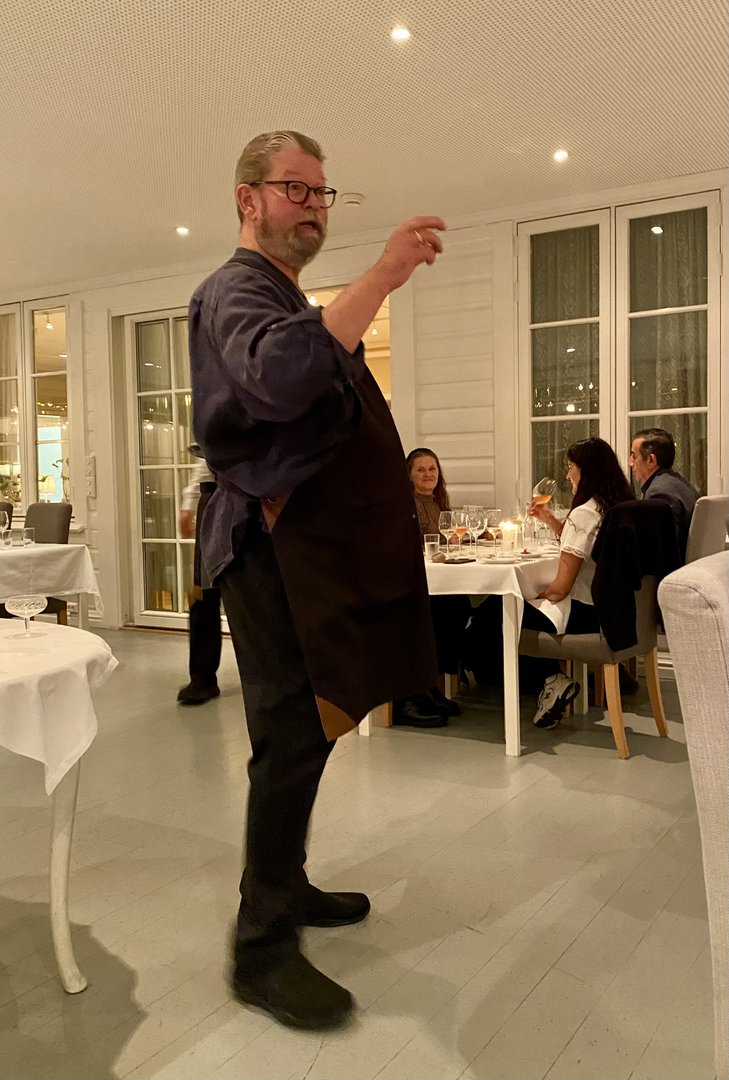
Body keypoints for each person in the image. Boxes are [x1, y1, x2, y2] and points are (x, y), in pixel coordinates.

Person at [188, 129, 446, 1030]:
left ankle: (287, 887)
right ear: (247, 198)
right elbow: (283, 377)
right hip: (268, 549)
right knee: (290, 738)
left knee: (311, 729)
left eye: (321, 192)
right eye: (294, 188)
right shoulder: (235, 288)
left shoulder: (283, 296)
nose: (312, 206)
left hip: (305, 547)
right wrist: (382, 276)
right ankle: (259, 950)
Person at [525, 436, 634, 727]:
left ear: (586, 471)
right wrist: (551, 520)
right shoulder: (616, 505)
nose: (567, 475)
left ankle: (551, 679)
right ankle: (551, 678)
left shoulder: (584, 513)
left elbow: (561, 588)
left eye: (570, 467)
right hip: (613, 611)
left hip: (584, 614)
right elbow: (586, 545)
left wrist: (531, 595)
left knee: (498, 613)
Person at [394, 447, 470, 727]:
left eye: (432, 469)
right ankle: (411, 694)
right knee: (443, 609)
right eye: (421, 469)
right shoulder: (406, 505)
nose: (428, 474)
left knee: (458, 604)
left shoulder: (438, 503)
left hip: (433, 578)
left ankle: (428, 685)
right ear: (409, 475)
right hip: (407, 582)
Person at [176, 453, 223, 705]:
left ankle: (272, 680)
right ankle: (202, 678)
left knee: (258, 597)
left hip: (255, 494)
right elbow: (205, 457)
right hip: (212, 495)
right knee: (202, 593)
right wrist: (190, 502)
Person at [629, 427, 699, 563]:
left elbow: (655, 552)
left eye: (634, 456)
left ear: (651, 460)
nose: (630, 463)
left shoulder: (658, 493)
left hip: (674, 572)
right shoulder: (680, 483)